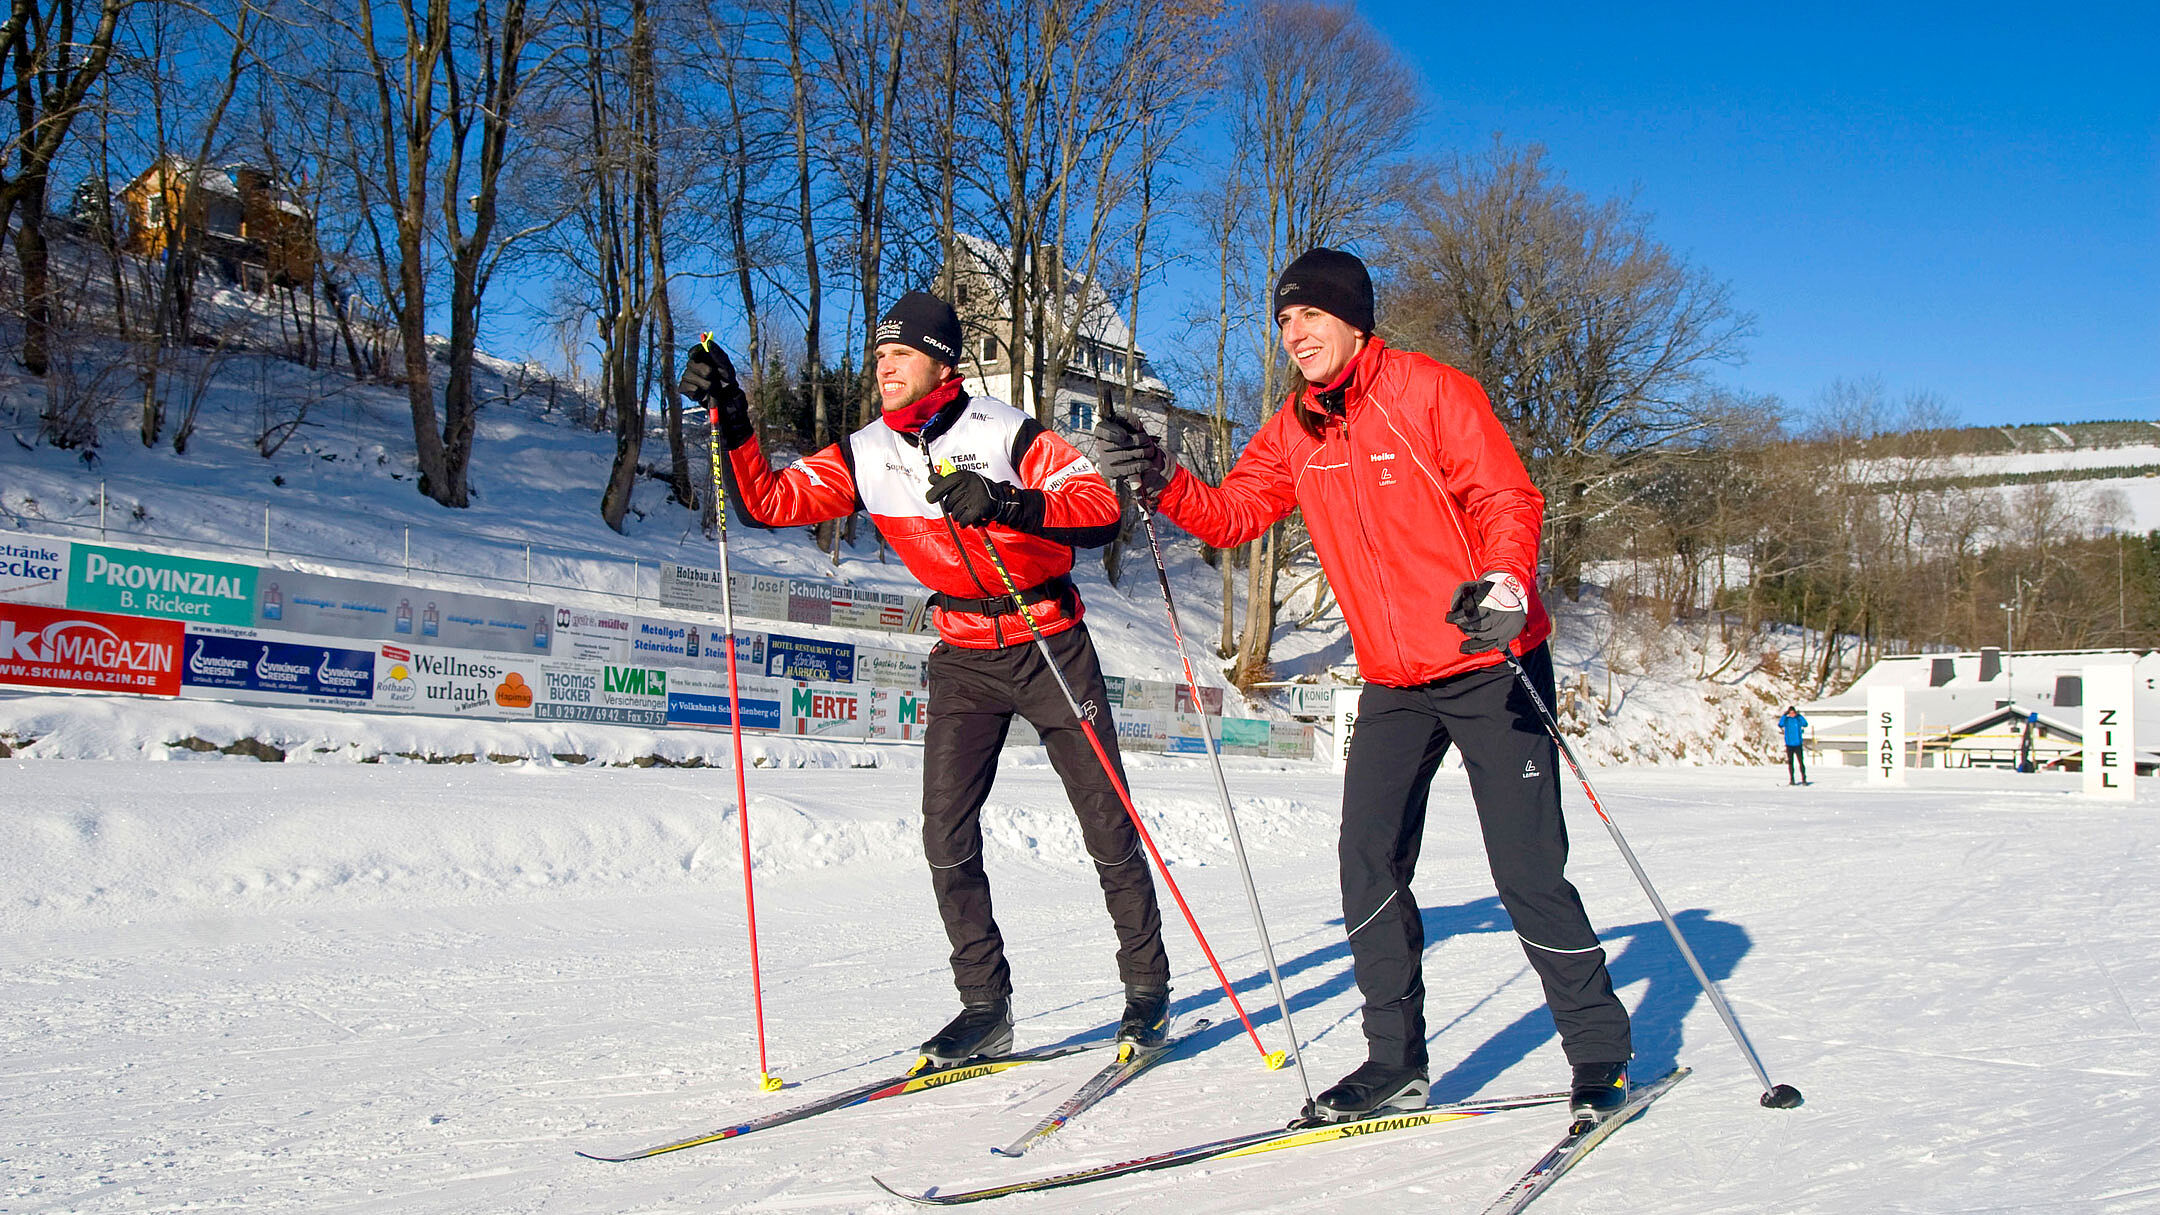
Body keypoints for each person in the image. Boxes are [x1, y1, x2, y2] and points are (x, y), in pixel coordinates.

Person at [1093, 248, 1633, 1125]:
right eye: (1283, 322)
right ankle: (1395, 1060)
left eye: (1309, 316)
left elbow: (1506, 497)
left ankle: (1600, 1054)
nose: (1294, 333)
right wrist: (1161, 476)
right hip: (1393, 675)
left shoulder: (1429, 392)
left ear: (1354, 320)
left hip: (1488, 654)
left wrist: (1505, 583)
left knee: (1527, 869)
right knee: (1366, 861)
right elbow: (1233, 515)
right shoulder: (1293, 430)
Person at [677, 290, 1174, 1067]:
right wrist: (734, 415)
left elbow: (1097, 509)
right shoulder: (867, 450)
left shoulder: (1005, 429)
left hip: (1048, 640)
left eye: (899, 354)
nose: (884, 368)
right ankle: (985, 1007)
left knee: (1107, 824)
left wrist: (1007, 500)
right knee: (945, 837)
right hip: (964, 656)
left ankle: (1146, 993)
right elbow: (767, 501)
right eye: (878, 356)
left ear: (941, 362)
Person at [1780, 707, 1809, 784]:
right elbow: (1780, 724)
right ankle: (1792, 779)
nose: (1792, 714)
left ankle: (1804, 778)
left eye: (1793, 713)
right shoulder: (1787, 720)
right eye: (1790, 713)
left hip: (1798, 744)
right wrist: (1784, 716)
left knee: (1800, 762)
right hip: (1789, 744)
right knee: (1790, 762)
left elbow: (1805, 724)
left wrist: (1800, 716)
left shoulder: (1798, 720)